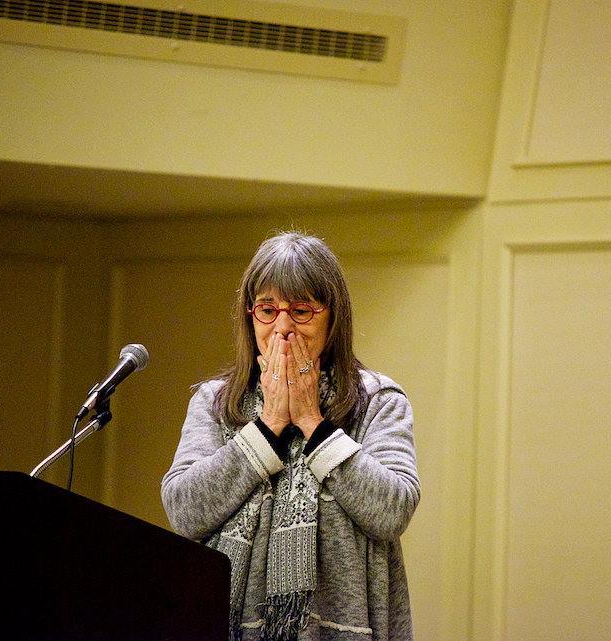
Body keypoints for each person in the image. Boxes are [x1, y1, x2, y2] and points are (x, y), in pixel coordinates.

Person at [162, 231, 420, 641]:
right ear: (250, 316)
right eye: (267, 310)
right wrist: (266, 428)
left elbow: (392, 511)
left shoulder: (378, 400)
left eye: (301, 311)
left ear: (333, 318)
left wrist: (314, 424)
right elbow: (184, 511)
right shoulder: (214, 401)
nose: (282, 328)